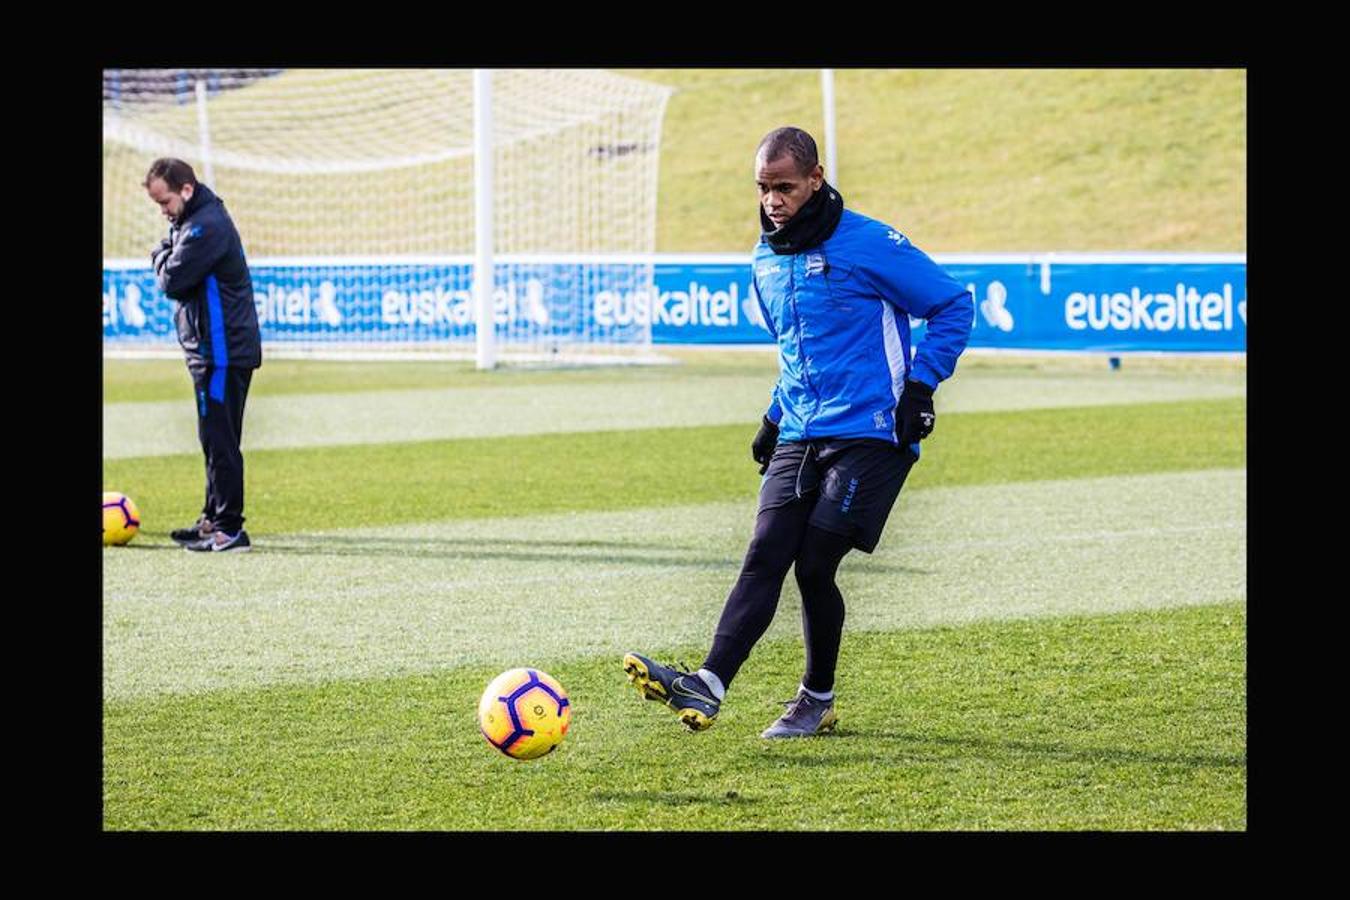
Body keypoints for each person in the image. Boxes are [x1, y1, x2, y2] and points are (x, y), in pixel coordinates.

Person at [623, 127, 972, 737]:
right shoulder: (766, 258)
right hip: (801, 430)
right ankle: (706, 686)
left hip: (873, 431)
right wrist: (774, 416)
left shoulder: (871, 243)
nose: (772, 201)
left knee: (814, 563)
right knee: (764, 552)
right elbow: (797, 352)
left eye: (784, 187)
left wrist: (921, 387)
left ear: (815, 178)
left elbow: (952, 305)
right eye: (762, 188)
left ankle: (816, 698)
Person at [144, 158, 261, 553]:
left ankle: (231, 527)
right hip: (212, 351)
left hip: (222, 353)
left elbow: (172, 281)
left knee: (221, 439)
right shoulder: (190, 223)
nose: (163, 211)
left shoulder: (204, 226)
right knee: (212, 439)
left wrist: (160, 255)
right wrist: (167, 248)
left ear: (187, 190)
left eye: (166, 202)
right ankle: (212, 519)